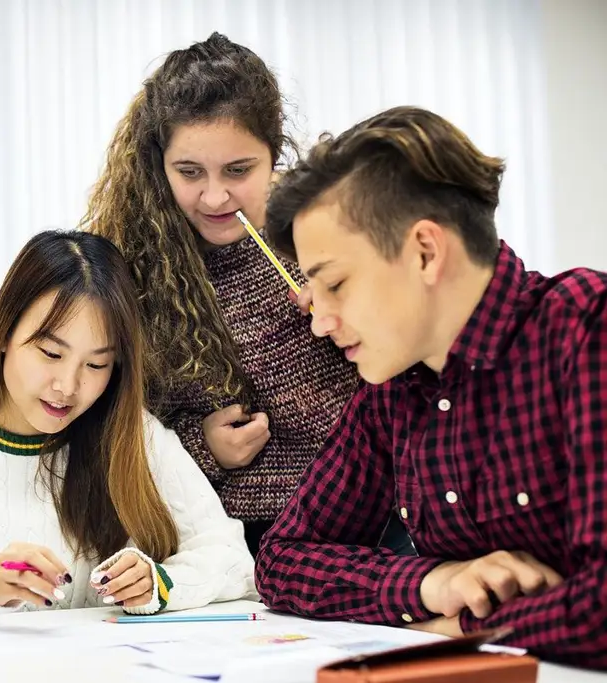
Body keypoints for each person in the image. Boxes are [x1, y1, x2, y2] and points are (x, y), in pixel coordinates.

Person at [255, 105, 607, 670]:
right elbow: (282, 561)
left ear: (425, 251)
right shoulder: (395, 384)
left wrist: (462, 624)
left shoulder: (585, 329)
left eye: (336, 284)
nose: (319, 321)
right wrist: (433, 584)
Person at [0, 230, 254, 627]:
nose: (67, 386)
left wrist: (161, 583)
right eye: (50, 353)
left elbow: (233, 559)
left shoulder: (135, 436)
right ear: (4, 334)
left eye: (96, 365)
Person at [83, 32, 365, 555]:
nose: (215, 196)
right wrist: (203, 446)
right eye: (189, 173)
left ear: (274, 153)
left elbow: (418, 371)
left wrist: (354, 315)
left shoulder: (330, 231)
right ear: (159, 165)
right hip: (231, 541)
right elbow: (115, 430)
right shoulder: (136, 269)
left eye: (239, 170)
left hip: (370, 514)